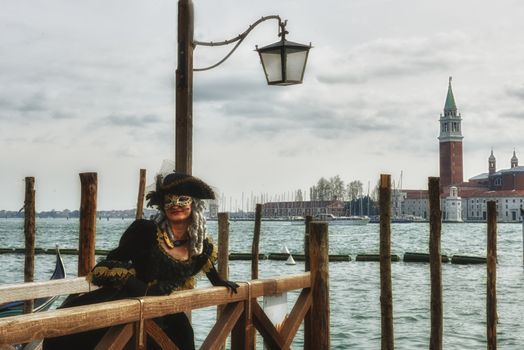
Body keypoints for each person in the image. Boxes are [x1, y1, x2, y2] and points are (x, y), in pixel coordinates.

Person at [43, 172, 238, 350]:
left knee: (184, 338)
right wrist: (146, 290)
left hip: (164, 313)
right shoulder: (145, 232)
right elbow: (104, 268)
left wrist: (219, 281)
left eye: (182, 199)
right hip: (128, 305)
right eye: (169, 201)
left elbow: (204, 263)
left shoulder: (200, 245)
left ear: (194, 205)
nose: (175, 205)